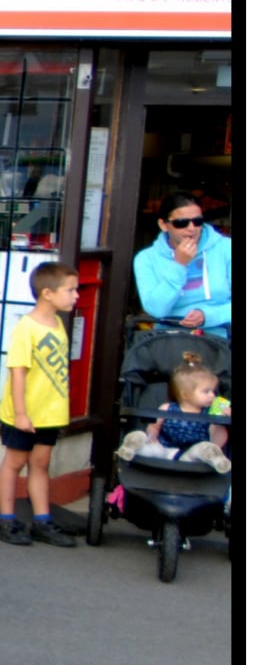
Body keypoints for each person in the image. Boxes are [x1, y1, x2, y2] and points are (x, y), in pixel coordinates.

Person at [0, 261, 82, 547]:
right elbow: (17, 371)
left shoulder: (58, 324)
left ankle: (42, 520)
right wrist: (20, 413)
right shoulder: (26, 327)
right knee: (15, 462)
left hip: (49, 412)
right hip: (25, 413)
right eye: (70, 290)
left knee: (41, 464)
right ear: (47, 293)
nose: (76, 295)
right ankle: (6, 519)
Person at [132, 192, 231, 340]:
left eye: (198, 221)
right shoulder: (146, 258)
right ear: (163, 225)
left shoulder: (225, 248)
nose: (191, 228)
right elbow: (156, 309)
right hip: (169, 339)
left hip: (221, 336)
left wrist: (207, 316)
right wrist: (179, 265)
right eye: (181, 223)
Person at [116, 361, 233, 472]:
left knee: (204, 449)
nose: (212, 395)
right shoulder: (167, 408)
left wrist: (219, 421)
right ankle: (132, 445)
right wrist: (152, 434)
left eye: (213, 391)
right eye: (206, 391)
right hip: (164, 448)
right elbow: (154, 426)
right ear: (185, 394)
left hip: (189, 455)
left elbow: (217, 441)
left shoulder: (209, 414)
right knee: (151, 449)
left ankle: (217, 459)